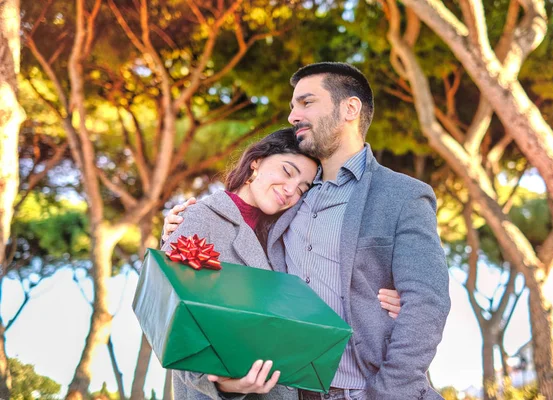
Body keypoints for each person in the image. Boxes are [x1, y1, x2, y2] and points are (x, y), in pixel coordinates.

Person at [164, 62, 450, 399]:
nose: (293, 115)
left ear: (350, 108)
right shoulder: (285, 204)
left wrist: (389, 391)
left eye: (306, 102)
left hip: (370, 389)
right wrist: (177, 236)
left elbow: (427, 302)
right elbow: (215, 283)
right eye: (292, 105)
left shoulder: (402, 195)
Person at [161, 127, 402, 400]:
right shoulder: (200, 219)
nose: (290, 191)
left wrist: (385, 297)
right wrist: (223, 385)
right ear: (256, 162)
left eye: (303, 188)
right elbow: (177, 322)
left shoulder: (287, 234)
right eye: (287, 172)